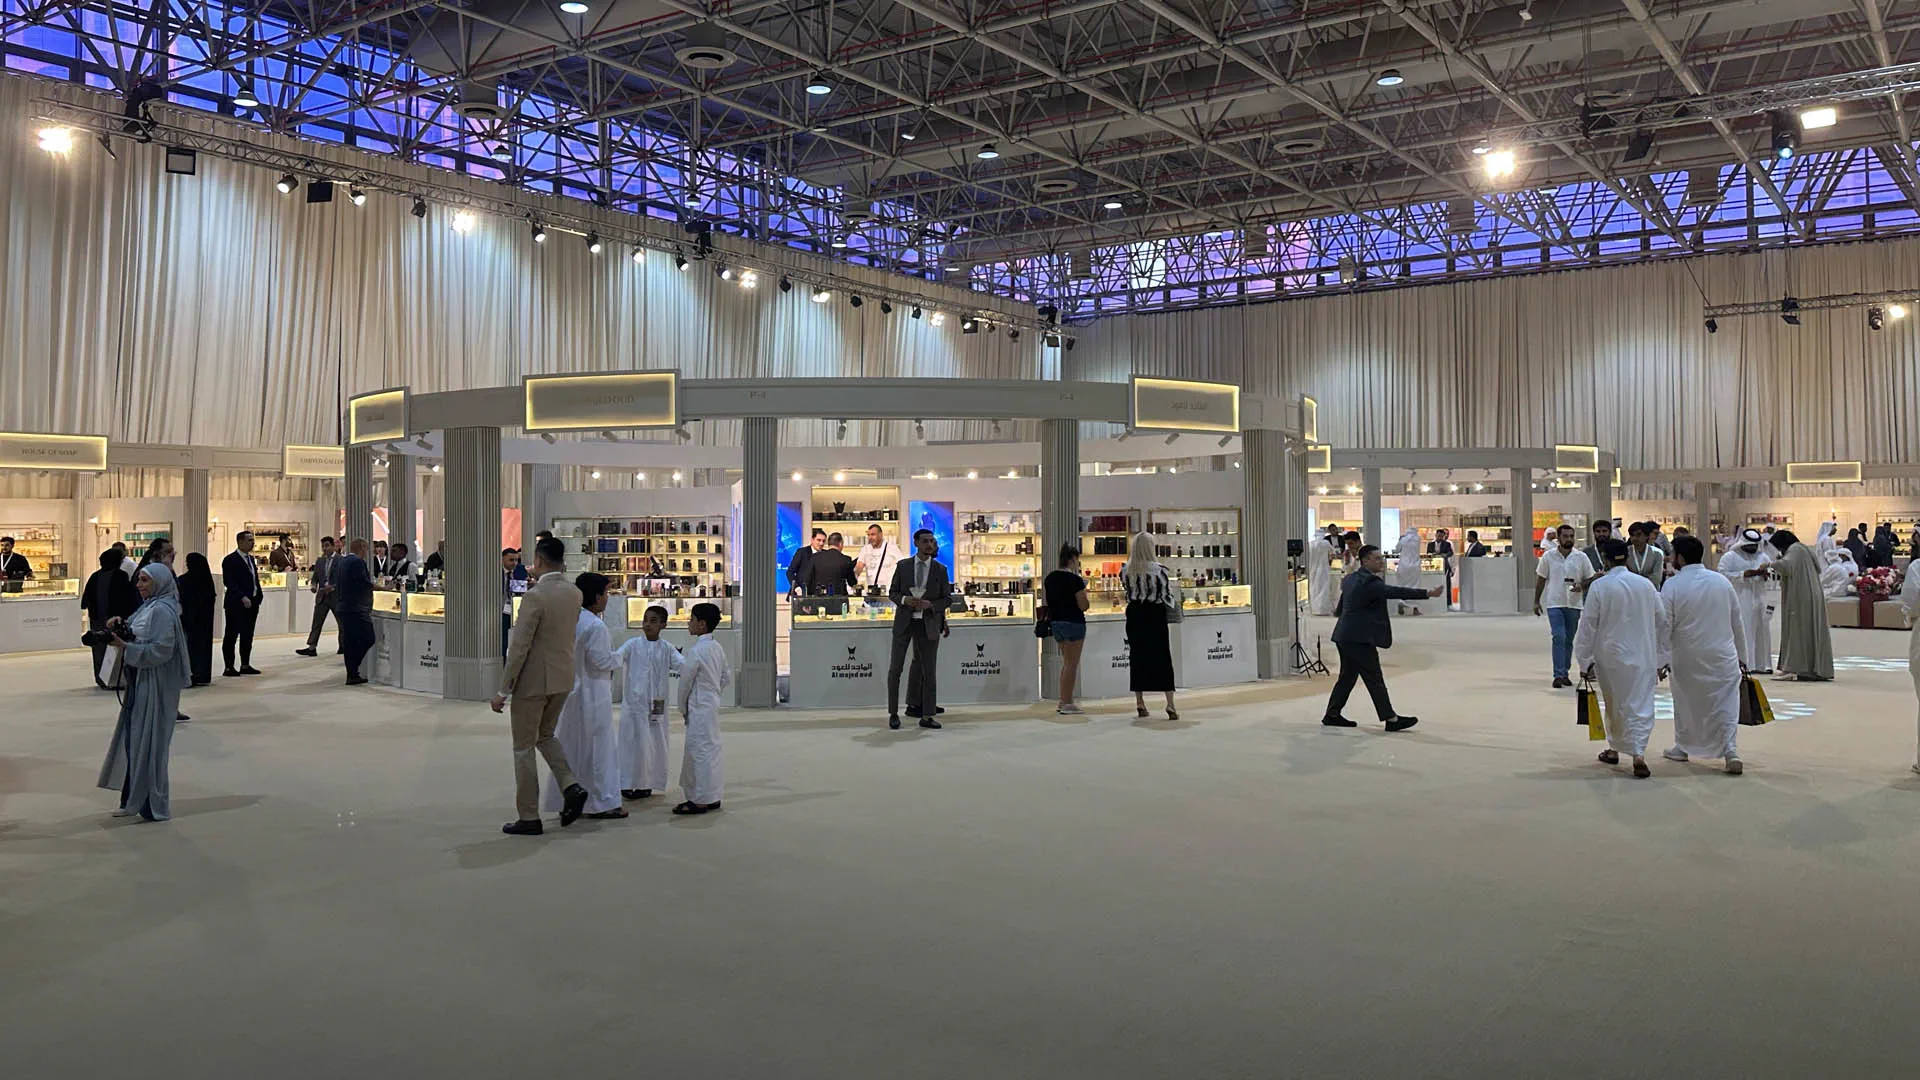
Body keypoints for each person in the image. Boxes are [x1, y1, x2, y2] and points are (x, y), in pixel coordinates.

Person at [490, 536, 589, 835]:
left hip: (534, 682)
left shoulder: (535, 597)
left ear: (540, 560)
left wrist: (503, 689)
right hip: (563, 677)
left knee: (523, 747)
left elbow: (519, 647)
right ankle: (570, 784)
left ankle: (529, 816)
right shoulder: (574, 593)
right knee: (545, 735)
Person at [95, 563, 191, 822]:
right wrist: (121, 627)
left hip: (155, 684)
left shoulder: (162, 610)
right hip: (141, 681)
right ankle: (133, 799)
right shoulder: (150, 606)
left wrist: (126, 647)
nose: (139, 585)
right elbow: (139, 634)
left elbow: (161, 650)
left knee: (148, 743)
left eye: (145, 580)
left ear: (159, 582)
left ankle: (148, 803)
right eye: (139, 580)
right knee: (136, 741)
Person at [1574, 538, 1670, 779]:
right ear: (1626, 558)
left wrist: (1584, 660)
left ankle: (1615, 748)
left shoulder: (1600, 586)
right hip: (1643, 654)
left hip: (1610, 655)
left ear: (1605, 560)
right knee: (1641, 703)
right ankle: (1638, 753)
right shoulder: (1645, 585)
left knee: (1615, 703)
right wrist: (1662, 658)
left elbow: (1588, 625)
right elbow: (1662, 620)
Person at [1323, 545, 1440, 731]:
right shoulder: (1370, 583)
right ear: (1365, 561)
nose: (1381, 561)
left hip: (1344, 635)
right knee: (1374, 677)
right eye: (1376, 558)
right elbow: (1395, 592)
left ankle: (1332, 714)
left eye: (1381, 558)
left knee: (1347, 677)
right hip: (1359, 638)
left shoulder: (1350, 579)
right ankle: (1391, 719)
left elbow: (1341, 607)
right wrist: (1427, 593)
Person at [1661, 536, 1745, 774]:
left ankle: (1683, 746)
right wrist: (1743, 656)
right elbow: (1736, 621)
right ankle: (1730, 750)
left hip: (1687, 655)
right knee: (1725, 702)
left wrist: (1661, 659)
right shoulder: (1721, 582)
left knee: (1686, 703)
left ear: (1680, 558)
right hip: (1722, 653)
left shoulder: (1672, 585)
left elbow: (1665, 625)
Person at [544, 573, 623, 820]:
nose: (608, 598)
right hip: (593, 692)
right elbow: (601, 661)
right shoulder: (596, 626)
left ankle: (569, 795)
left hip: (570, 690)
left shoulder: (572, 620)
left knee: (572, 746)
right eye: (606, 593)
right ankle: (600, 802)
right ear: (597, 596)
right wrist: (622, 655)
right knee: (598, 748)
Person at [886, 527, 950, 730]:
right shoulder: (903, 566)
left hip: (928, 624)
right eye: (925, 541)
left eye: (931, 541)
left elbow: (946, 599)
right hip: (905, 623)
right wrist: (905, 600)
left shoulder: (940, 569)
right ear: (916, 543)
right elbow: (893, 592)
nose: (929, 544)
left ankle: (927, 715)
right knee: (896, 669)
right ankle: (893, 713)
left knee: (929, 670)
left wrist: (931, 605)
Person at [616, 604, 682, 800]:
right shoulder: (632, 645)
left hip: (656, 706)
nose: (647, 625)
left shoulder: (667, 648)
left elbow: (684, 665)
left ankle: (647, 784)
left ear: (663, 625)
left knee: (654, 743)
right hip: (633, 705)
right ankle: (627, 782)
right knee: (631, 743)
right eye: (645, 620)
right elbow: (615, 658)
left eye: (653, 621)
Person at [675, 602, 731, 815]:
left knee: (698, 751)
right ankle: (712, 795)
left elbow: (685, 682)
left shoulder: (697, 651)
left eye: (692, 619)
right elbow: (725, 676)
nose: (689, 623)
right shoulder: (717, 647)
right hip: (711, 703)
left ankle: (699, 799)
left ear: (702, 624)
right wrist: (714, 692)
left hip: (698, 706)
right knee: (711, 749)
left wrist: (682, 707)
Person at [1122, 532, 1177, 720]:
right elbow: (1166, 595)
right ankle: (1170, 704)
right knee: (1162, 656)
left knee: (1137, 656)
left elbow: (1127, 592)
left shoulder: (1126, 570)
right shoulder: (1160, 570)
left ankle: (1140, 702)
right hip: (1155, 614)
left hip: (1135, 614)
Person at [1768, 530, 1834, 681]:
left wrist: (1769, 564)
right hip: (1807, 593)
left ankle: (1796, 667)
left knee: (1798, 630)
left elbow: (1786, 566)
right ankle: (1806, 668)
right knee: (1805, 630)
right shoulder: (1803, 548)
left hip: (1802, 596)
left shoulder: (1795, 549)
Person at [1534, 524, 1595, 687]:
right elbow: (1541, 578)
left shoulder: (1581, 557)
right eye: (1565, 536)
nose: (1569, 539)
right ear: (1558, 538)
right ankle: (1558, 674)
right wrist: (1536, 601)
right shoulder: (1549, 556)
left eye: (1571, 536)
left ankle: (1565, 672)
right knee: (1558, 636)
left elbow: (1590, 577)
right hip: (1555, 603)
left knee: (1568, 639)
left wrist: (1581, 586)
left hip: (1574, 604)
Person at [1043, 544, 1092, 715]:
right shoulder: (1075, 580)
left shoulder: (1050, 578)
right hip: (1073, 623)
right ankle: (1067, 702)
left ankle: (1063, 700)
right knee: (1071, 664)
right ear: (1072, 559)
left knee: (1066, 663)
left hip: (1057, 623)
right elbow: (1083, 605)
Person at [1718, 529, 1774, 674]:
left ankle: (1763, 665)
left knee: (1762, 630)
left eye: (1755, 546)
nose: (1753, 548)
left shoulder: (1762, 556)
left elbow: (1772, 572)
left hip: (1760, 597)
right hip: (1741, 597)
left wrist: (1766, 574)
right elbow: (1722, 574)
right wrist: (1743, 574)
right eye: (1750, 546)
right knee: (1744, 629)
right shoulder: (1730, 557)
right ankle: (1746, 664)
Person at [82, 549, 139, 688]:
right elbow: (127, 598)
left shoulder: (95, 576)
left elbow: (85, 600)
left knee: (98, 649)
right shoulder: (121, 576)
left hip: (96, 618)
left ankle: (101, 678)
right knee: (114, 649)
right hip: (114, 619)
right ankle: (114, 679)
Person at [220, 530, 263, 677]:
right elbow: (229, 582)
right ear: (240, 542)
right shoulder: (230, 560)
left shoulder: (251, 559)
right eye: (250, 540)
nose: (253, 543)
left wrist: (258, 596)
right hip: (236, 604)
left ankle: (245, 664)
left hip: (252, 602)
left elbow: (254, 579)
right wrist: (242, 597)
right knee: (231, 635)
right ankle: (229, 667)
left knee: (247, 635)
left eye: (253, 540)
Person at [334, 539, 377, 685]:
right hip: (356, 608)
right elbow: (363, 583)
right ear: (362, 547)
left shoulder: (343, 561)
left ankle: (352, 674)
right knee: (368, 638)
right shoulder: (357, 562)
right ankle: (353, 668)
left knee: (350, 641)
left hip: (343, 606)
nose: (367, 552)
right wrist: (381, 588)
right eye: (366, 549)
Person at [296, 536, 339, 657]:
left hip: (336, 596)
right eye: (323, 546)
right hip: (322, 596)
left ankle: (343, 646)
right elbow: (315, 578)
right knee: (316, 622)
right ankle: (312, 647)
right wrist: (313, 586)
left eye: (327, 545)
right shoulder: (320, 561)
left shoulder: (340, 560)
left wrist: (333, 586)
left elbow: (343, 578)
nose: (325, 548)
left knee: (341, 623)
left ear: (333, 546)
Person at [177, 553, 216, 686]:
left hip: (189, 619)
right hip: (205, 619)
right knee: (203, 646)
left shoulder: (184, 580)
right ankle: (202, 674)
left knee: (190, 647)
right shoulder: (207, 580)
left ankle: (191, 674)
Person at [800, 531, 857, 597]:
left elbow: (807, 579)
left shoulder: (815, 557)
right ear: (840, 544)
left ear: (829, 544)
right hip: (839, 598)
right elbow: (852, 582)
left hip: (818, 597)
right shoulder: (846, 560)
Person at [854, 523, 901, 596]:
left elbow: (902, 566)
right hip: (871, 592)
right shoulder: (865, 549)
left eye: (873, 535)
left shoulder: (892, 548)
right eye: (868, 535)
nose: (870, 537)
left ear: (880, 535)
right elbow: (858, 568)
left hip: (888, 592)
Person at [1393, 525, 1425, 615]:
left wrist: (1400, 539)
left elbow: (1397, 550)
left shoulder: (1403, 539)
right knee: (1415, 586)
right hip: (1415, 566)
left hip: (1403, 565)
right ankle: (1415, 608)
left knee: (1402, 585)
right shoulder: (1417, 539)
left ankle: (1401, 601)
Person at [1625, 522, 1665, 592]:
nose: (1634, 538)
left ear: (1646, 536)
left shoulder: (1657, 553)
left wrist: (1634, 577)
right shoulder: (1626, 552)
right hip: (1632, 592)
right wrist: (1646, 576)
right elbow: (1625, 578)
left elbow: (1656, 579)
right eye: (1631, 535)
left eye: (1638, 535)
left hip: (1652, 591)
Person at [1307, 527, 1337, 617]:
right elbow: (1333, 552)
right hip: (1324, 568)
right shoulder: (1326, 543)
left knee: (1314, 588)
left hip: (1312, 569)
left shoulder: (1310, 544)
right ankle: (1323, 609)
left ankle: (1315, 609)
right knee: (1324, 587)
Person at [787, 529, 826, 595]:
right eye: (819, 540)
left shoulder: (826, 554)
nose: (821, 543)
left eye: (823, 541)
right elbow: (790, 572)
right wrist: (796, 587)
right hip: (800, 593)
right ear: (812, 540)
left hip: (818, 594)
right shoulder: (802, 552)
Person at [500, 548, 522, 657]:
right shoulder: (495, 573)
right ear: (502, 559)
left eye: (516, 560)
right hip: (499, 610)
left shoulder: (520, 572)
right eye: (511, 560)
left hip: (513, 610)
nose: (514, 563)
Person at [1427, 527, 1456, 608]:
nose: (1440, 537)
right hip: (1434, 566)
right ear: (1436, 535)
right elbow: (1428, 553)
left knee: (1447, 584)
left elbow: (1451, 553)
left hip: (1445, 566)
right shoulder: (1430, 544)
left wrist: (1445, 555)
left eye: (1441, 536)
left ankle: (1448, 603)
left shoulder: (1447, 544)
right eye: (1438, 536)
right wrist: (1432, 555)